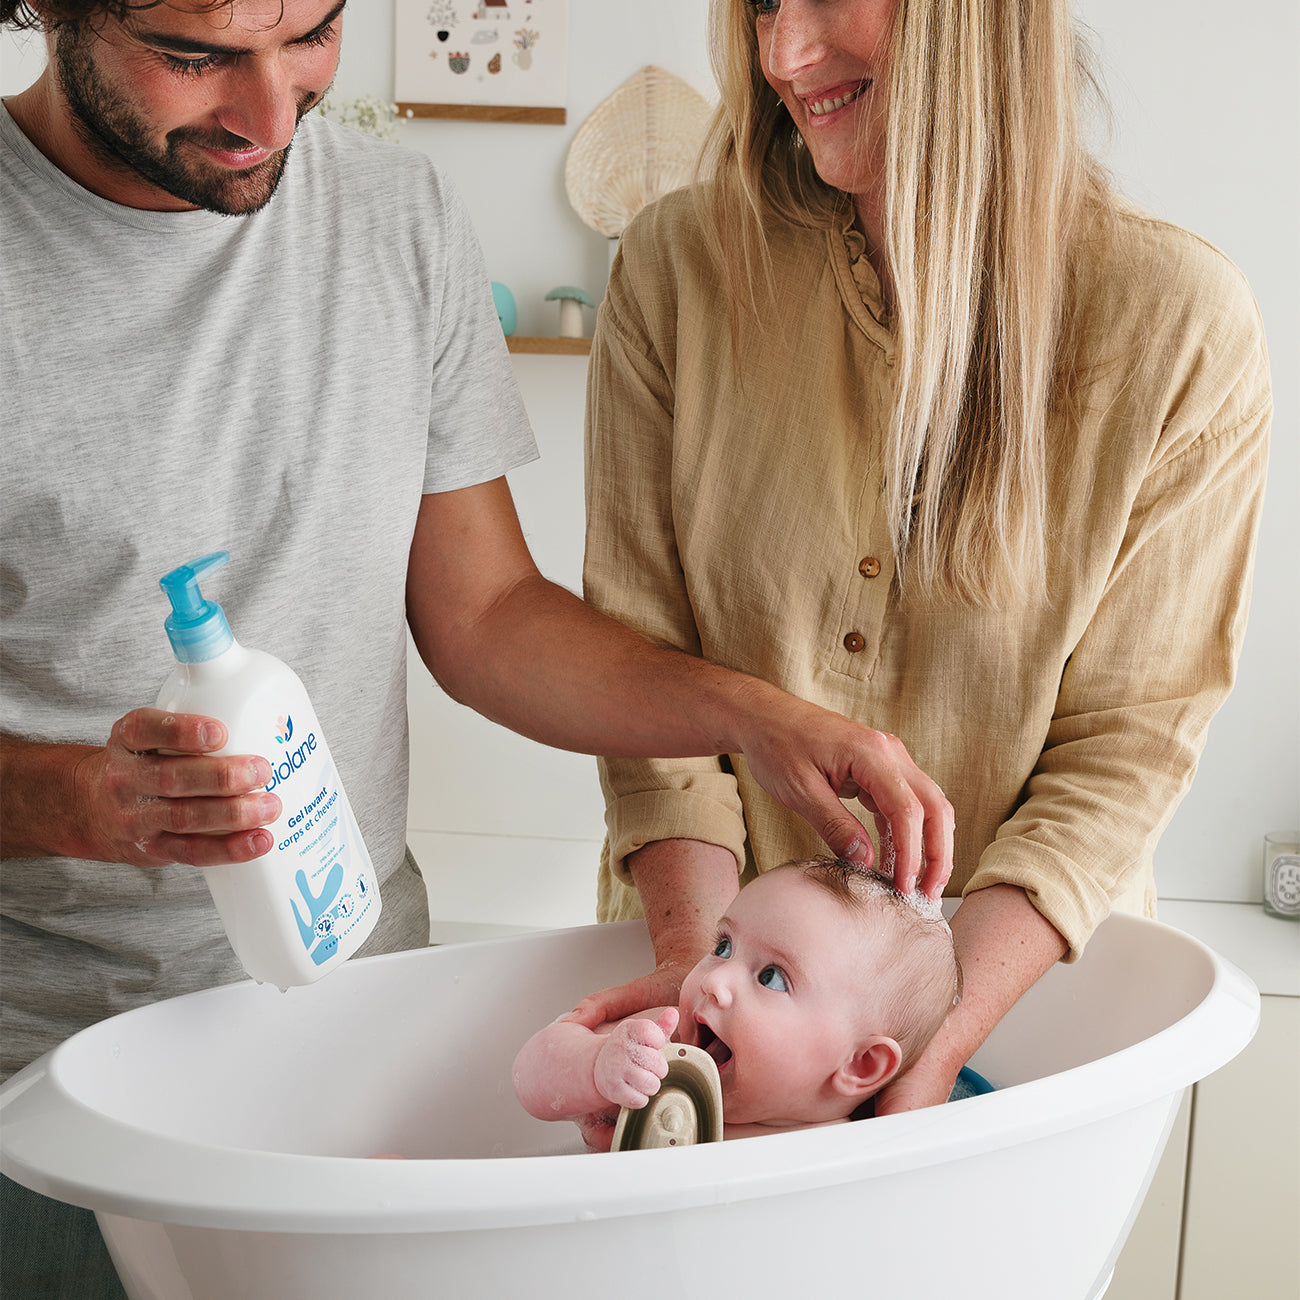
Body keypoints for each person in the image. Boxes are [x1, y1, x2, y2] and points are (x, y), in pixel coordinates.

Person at [0, 1, 957, 1292]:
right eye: (195, 57)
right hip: (44, 1084)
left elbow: (490, 618)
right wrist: (81, 801)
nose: (274, 115)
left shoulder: (391, 217)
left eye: (313, 34)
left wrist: (750, 717)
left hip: (353, 1041)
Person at [579, 0, 1271, 1120]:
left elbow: (1124, 751)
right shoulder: (675, 270)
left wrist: (933, 1050)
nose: (782, 56)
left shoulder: (1179, 326)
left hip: (1028, 1017)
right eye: (760, 4)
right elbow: (640, 680)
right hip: (708, 1004)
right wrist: (697, 976)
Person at [514, 857, 961, 1148]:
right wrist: (595, 1067)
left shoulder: (858, 1150)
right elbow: (530, 1079)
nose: (715, 980)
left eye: (771, 977)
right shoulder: (654, 1054)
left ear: (860, 1065)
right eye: (724, 945)